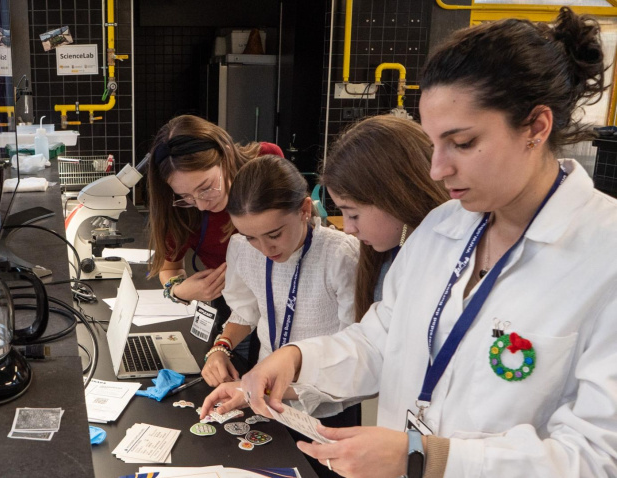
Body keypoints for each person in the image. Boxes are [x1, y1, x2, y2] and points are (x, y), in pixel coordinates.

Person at [202, 8, 617, 477]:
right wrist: (298, 361)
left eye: (461, 143)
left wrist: (429, 457)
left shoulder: (604, 256)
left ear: (536, 127)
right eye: (434, 143)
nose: (438, 169)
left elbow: (600, 456)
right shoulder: (443, 229)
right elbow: (381, 341)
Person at [201, 155, 360, 478]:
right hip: (267, 400)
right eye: (251, 237)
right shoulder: (242, 249)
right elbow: (246, 310)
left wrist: (257, 389)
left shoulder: (341, 254)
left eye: (274, 234)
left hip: (327, 407)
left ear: (303, 210)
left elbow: (357, 353)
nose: (264, 248)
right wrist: (221, 347)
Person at [147, 115, 283, 362]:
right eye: (185, 195)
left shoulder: (265, 163)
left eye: (206, 187)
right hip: (233, 313)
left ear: (227, 155)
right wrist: (179, 290)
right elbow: (170, 268)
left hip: (284, 302)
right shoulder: (182, 212)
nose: (199, 204)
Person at [322, 115, 448, 320]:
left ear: (397, 197)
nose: (348, 228)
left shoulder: (446, 262)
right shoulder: (386, 251)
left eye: (353, 214)